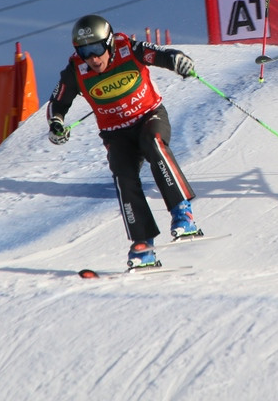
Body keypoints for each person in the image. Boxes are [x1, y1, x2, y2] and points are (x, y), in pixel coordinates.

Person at [46, 14, 201, 269]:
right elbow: (57, 103)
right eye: (85, 51)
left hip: (148, 116)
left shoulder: (128, 48)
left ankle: (182, 214)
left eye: (97, 49)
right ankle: (143, 243)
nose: (93, 58)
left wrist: (178, 61)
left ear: (108, 43)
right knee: (123, 174)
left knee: (154, 143)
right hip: (116, 133)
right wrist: (56, 124)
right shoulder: (76, 69)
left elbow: (160, 55)